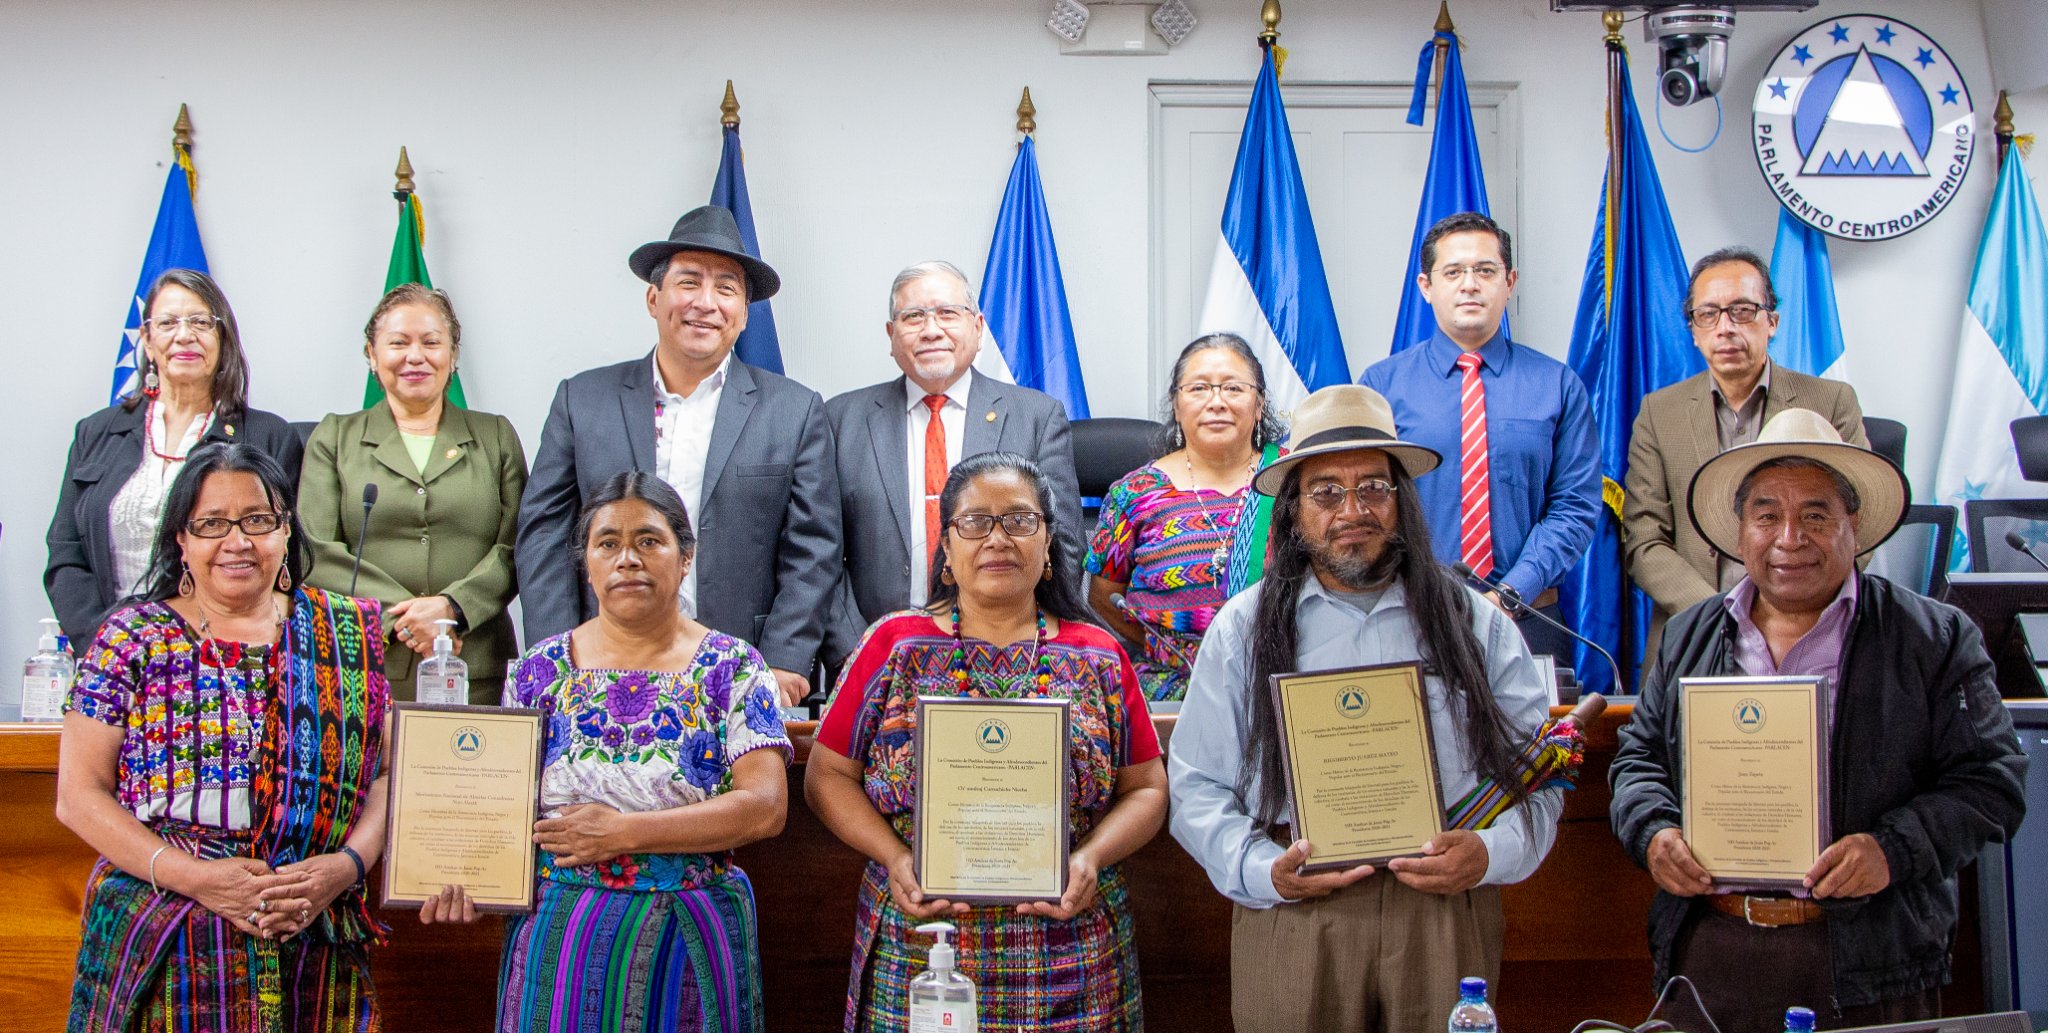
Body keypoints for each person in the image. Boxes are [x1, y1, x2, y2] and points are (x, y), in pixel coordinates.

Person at [1609, 409, 2027, 1031]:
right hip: (1712, 955)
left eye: (1814, 515)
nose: (1789, 539)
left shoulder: (1933, 637)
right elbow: (1638, 759)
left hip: (1868, 960)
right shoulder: (1689, 634)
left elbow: (1994, 783)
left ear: (1852, 525)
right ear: (1741, 527)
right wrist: (1653, 832)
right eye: (1767, 515)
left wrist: (1892, 848)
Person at [1169, 385, 1562, 1033]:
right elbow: (1195, 786)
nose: (1352, 509)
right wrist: (1262, 869)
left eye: (1373, 488)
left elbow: (1540, 776)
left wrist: (1490, 852)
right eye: (1326, 491)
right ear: (1294, 513)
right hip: (1298, 910)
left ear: (1402, 501)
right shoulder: (1242, 629)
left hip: (1441, 910)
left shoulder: (1475, 622)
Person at [806, 452, 1166, 1033]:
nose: (998, 538)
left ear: (1049, 545)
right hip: (922, 944)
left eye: (1020, 520)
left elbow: (1147, 787)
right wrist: (895, 857)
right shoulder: (895, 646)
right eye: (974, 522)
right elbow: (825, 776)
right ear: (946, 550)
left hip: (1070, 950)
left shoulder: (1098, 654)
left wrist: (1090, 859)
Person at [423, 472, 791, 1033]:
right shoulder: (538, 672)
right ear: (587, 561)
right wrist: (467, 875)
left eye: (649, 541)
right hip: (562, 939)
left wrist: (624, 833)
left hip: (689, 931)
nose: (628, 559)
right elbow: (499, 810)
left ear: (685, 557)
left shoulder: (733, 667)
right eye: (608, 543)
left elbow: (765, 807)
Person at [55, 442, 391, 1032]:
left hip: (309, 922)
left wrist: (344, 867)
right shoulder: (132, 637)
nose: (237, 541)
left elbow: (389, 773)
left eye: (257, 520)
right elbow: (78, 796)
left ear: (286, 531)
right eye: (211, 523)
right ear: (181, 540)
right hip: (165, 925)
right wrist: (202, 881)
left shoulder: (344, 633)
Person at [515, 204, 840, 705]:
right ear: (654, 297)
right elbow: (544, 535)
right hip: (598, 668)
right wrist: (557, 655)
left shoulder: (794, 411)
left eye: (726, 288)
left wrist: (785, 659)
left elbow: (813, 549)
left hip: (741, 668)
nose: (705, 303)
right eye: (688, 282)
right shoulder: (582, 401)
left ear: (744, 312)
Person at [1359, 212, 1599, 660]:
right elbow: (1368, 504)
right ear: (1426, 286)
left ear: (1509, 282)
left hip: (1530, 621)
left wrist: (1511, 592)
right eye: (1453, 272)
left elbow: (1575, 507)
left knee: (1533, 734)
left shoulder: (1557, 385)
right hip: (1411, 618)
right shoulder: (1381, 387)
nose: (1469, 284)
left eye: (1485, 271)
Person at [824, 260, 1081, 668]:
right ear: (891, 336)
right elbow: (822, 552)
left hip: (1008, 656)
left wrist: (1027, 646)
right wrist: (857, 650)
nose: (931, 329)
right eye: (913, 317)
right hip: (874, 656)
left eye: (947, 313)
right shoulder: (841, 419)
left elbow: (1063, 543)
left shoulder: (1036, 416)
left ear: (977, 328)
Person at [46, 269, 305, 650]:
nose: (184, 335)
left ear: (223, 338)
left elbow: (287, 561)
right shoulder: (96, 433)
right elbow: (66, 556)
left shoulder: (267, 437)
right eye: (167, 322)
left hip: (224, 657)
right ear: (148, 342)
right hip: (109, 653)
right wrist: (110, 645)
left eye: (200, 322)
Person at [298, 284, 529, 704]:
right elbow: (314, 550)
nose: (415, 356)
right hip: (366, 668)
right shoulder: (335, 437)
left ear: (453, 354)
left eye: (431, 342)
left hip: (476, 663)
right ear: (372, 354)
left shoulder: (495, 436)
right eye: (398, 343)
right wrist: (408, 619)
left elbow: (518, 544)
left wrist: (453, 609)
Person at [1625, 247, 1866, 647]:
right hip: (1696, 634)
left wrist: (1784, 613)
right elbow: (1644, 539)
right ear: (1694, 331)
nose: (1725, 328)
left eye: (1742, 311)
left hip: (1811, 631)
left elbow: (1861, 524)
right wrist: (1720, 614)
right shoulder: (1659, 413)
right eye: (1708, 314)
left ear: (1771, 321)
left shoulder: (1831, 402)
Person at [1085, 332, 1282, 701]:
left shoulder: (1294, 482)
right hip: (1170, 689)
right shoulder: (1135, 493)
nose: (1217, 402)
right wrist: (1168, 651)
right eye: (1199, 389)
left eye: (1234, 389)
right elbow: (1104, 597)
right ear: (1176, 406)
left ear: (1259, 405)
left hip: (1274, 687)